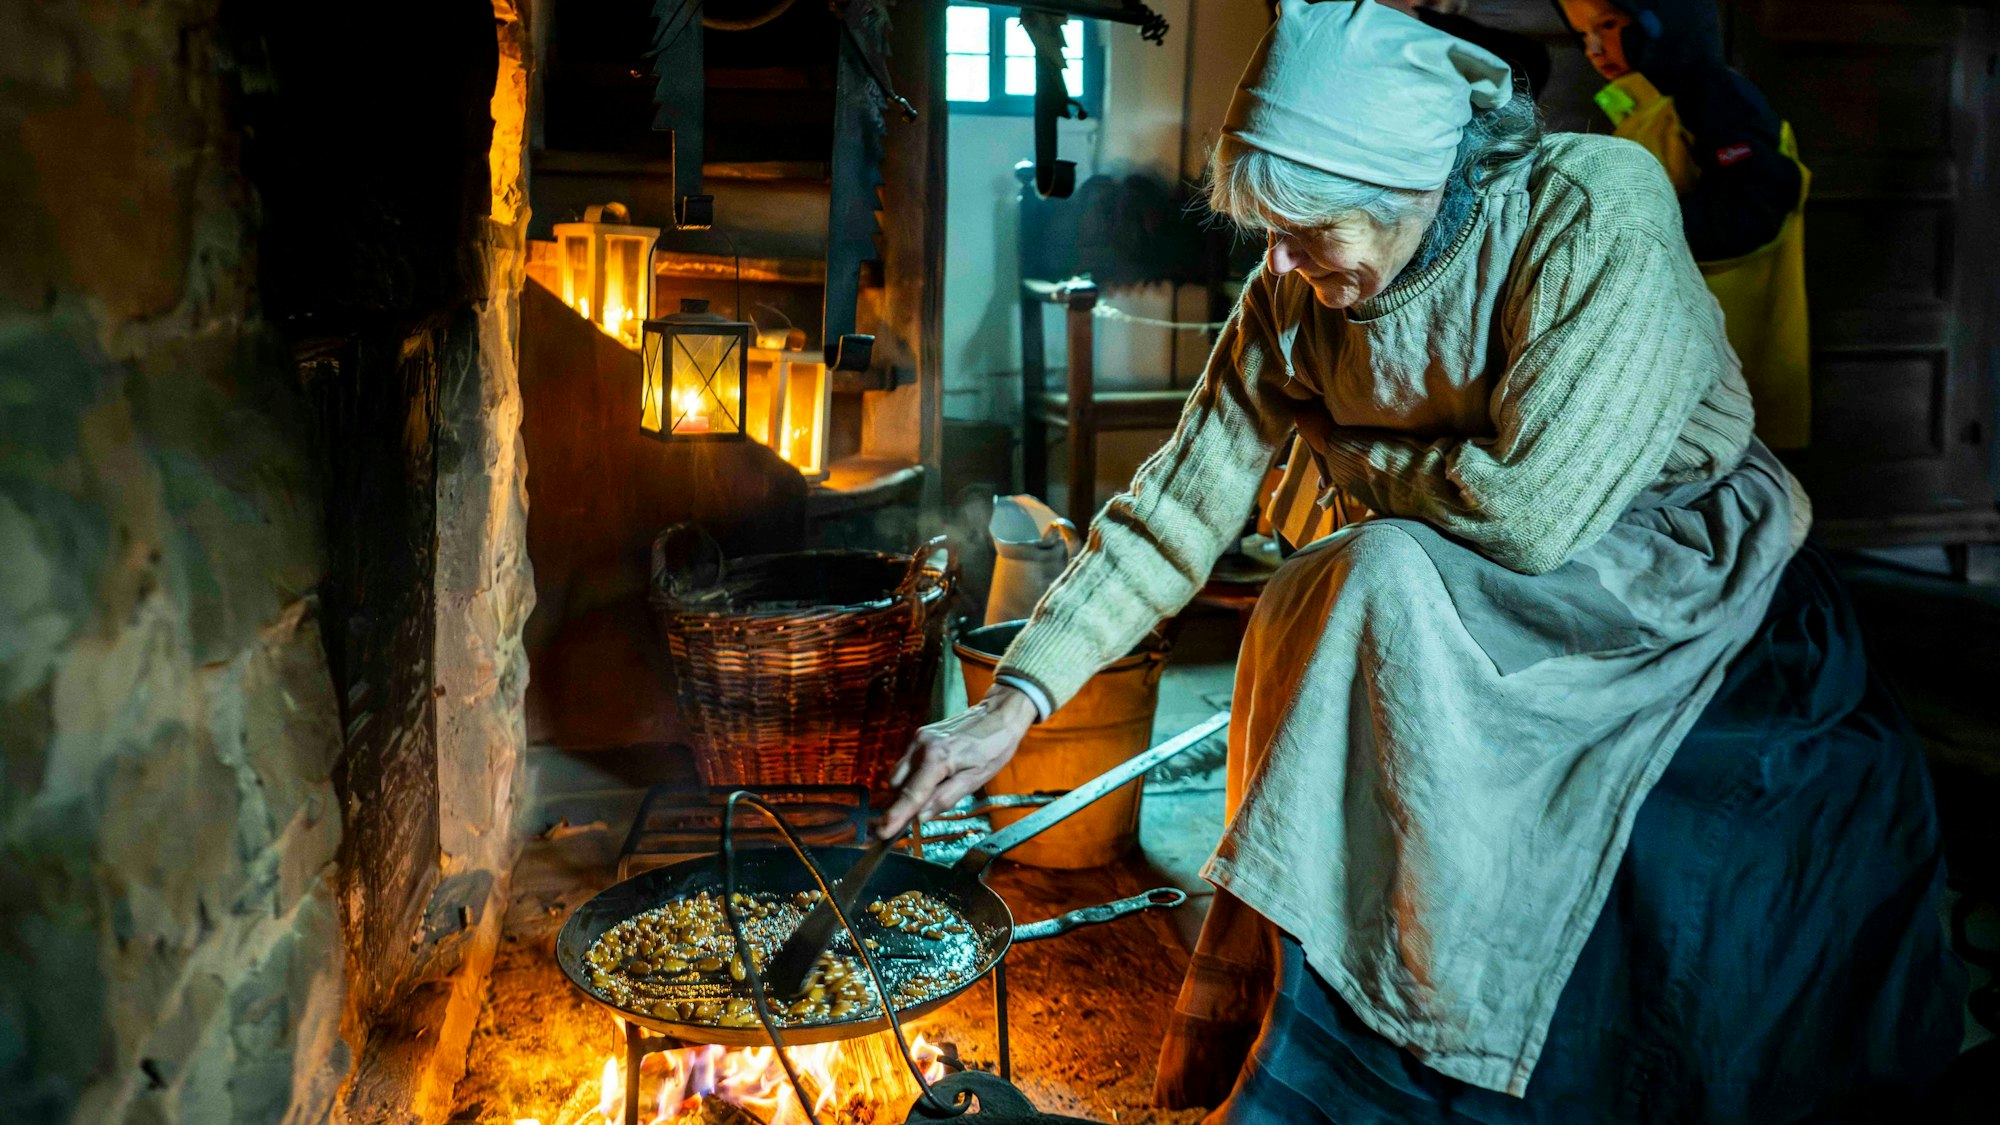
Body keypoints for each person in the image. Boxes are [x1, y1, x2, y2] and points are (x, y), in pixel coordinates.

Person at [882, 1, 1961, 1119]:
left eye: (1310, 229)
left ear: (1414, 185)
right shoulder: (1291, 287)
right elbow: (1176, 500)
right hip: (1466, 555)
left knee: (1370, 574)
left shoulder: (1587, 210)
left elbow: (1530, 515)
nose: (1284, 264)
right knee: (1328, 590)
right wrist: (1012, 705)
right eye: (1269, 234)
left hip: (1661, 558)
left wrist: (1348, 452)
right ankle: (1326, 1044)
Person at [1555, 0, 1813, 449]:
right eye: (1583, 36)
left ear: (1666, 20)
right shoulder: (1646, 110)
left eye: (1610, 26)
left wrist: (1627, 234)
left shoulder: (1715, 98)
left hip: (1731, 343)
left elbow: (1756, 207)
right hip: (1678, 350)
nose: (1595, 48)